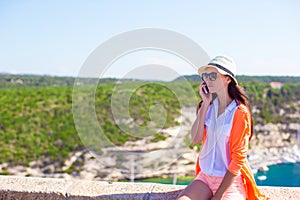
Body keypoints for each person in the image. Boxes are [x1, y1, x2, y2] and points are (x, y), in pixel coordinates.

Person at [177, 55, 268, 200]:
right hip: (205, 178)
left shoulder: (239, 112)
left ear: (228, 79)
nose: (207, 79)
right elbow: (195, 139)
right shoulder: (206, 107)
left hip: (229, 182)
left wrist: (218, 195)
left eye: (213, 75)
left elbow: (238, 159)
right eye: (205, 75)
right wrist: (205, 104)